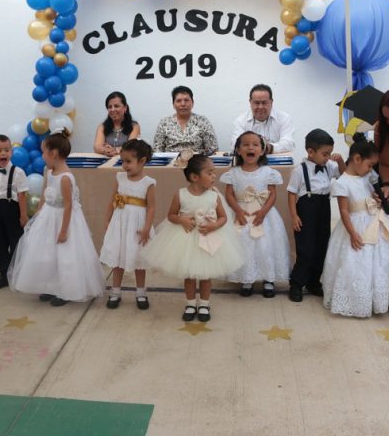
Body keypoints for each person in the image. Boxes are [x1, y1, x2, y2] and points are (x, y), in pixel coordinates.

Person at [141, 155, 244, 322]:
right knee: (189, 275)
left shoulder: (214, 196)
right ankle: (190, 303)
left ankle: (204, 304)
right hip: (186, 239)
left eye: (214, 172)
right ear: (195, 177)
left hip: (207, 239)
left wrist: (214, 226)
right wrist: (181, 220)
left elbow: (223, 218)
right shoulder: (180, 194)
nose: (214, 176)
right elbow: (171, 215)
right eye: (209, 173)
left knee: (206, 275)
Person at [9, 133, 104, 306]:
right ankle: (50, 286)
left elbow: (68, 206)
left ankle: (65, 290)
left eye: (43, 152)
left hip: (63, 220)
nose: (42, 156)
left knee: (65, 256)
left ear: (53, 153)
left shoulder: (65, 178)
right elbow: (44, 195)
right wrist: (38, 215)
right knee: (47, 254)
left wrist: (63, 231)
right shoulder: (50, 172)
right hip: (48, 217)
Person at [322, 133, 389, 318]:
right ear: (356, 159)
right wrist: (353, 233)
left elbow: (371, 193)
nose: (371, 169)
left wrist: (376, 197)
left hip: (373, 222)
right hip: (355, 226)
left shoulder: (368, 177)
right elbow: (344, 211)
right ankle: (356, 299)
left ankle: (375, 298)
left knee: (376, 261)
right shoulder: (342, 183)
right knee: (355, 261)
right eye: (369, 165)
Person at [221, 131, 290, 298]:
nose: (250, 147)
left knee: (266, 246)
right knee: (244, 245)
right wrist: (237, 211)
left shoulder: (268, 172)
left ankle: (268, 278)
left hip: (264, 215)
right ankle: (247, 278)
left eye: (255, 144)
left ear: (262, 150)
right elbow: (229, 194)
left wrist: (264, 212)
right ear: (238, 150)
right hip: (242, 214)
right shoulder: (233, 173)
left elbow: (272, 194)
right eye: (245, 144)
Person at [286, 129, 346, 302]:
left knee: (322, 246)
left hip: (324, 207)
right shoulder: (299, 170)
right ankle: (297, 283)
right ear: (310, 152)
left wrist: (340, 160)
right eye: (325, 154)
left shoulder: (329, 166)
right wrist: (294, 215)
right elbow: (291, 193)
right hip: (306, 208)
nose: (327, 157)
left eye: (329, 153)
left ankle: (313, 281)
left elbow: (344, 174)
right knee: (306, 248)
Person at [99, 139, 156, 310]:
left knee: (139, 259)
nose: (124, 165)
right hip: (120, 224)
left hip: (138, 226)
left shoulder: (148, 182)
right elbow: (113, 200)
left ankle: (141, 292)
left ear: (142, 161)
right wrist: (108, 219)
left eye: (129, 161)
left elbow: (151, 207)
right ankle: (115, 291)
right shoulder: (120, 177)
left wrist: (147, 228)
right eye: (122, 161)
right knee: (118, 258)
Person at [0, 134, 29, 290]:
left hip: (12, 209)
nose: (3, 153)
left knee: (16, 242)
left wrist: (23, 215)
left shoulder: (18, 172)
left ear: (11, 152)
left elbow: (22, 195)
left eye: (6, 150)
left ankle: (17, 274)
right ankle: (4, 274)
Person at [230, 84, 295, 154]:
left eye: (264, 103)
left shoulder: (284, 118)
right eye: (257, 103)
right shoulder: (240, 121)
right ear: (250, 102)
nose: (260, 107)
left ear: (271, 102)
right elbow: (235, 144)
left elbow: (289, 143)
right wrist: (257, 147)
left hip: (277, 160)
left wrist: (269, 147)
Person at [152, 86, 219, 154]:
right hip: (170, 160)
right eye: (178, 101)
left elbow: (213, 148)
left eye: (186, 100)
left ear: (192, 103)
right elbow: (157, 150)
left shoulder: (203, 121)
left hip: (197, 159)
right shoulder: (164, 123)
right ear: (173, 104)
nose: (183, 104)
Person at [93, 91, 141, 157]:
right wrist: (105, 150)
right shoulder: (102, 127)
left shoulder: (134, 126)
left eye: (116, 106)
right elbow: (97, 146)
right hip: (106, 162)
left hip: (126, 161)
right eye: (110, 107)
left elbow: (130, 147)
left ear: (125, 108)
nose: (112, 109)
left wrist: (113, 150)